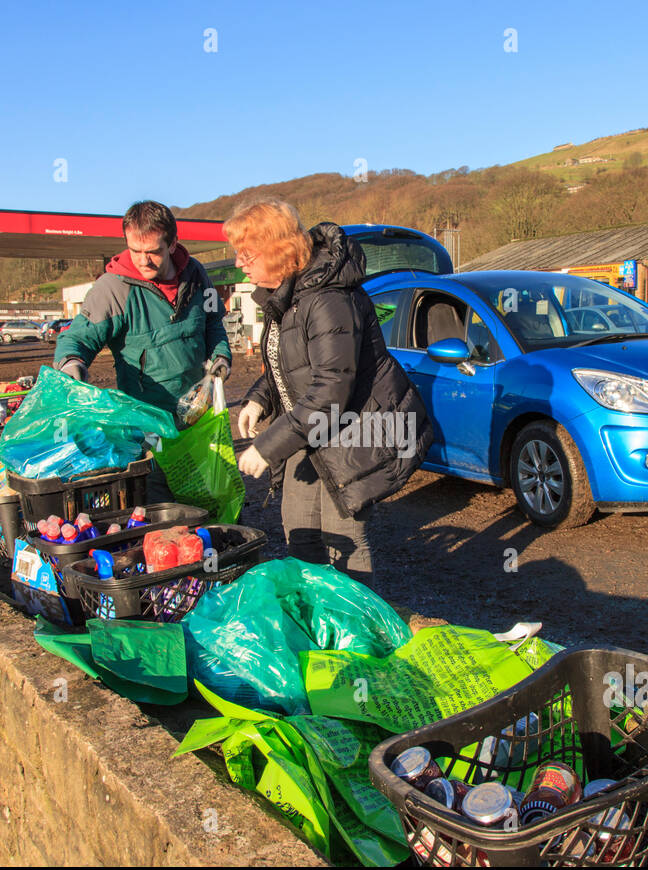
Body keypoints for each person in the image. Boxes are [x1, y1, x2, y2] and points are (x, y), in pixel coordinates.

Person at [226, 199, 432, 591]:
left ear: (277, 250)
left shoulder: (328, 298)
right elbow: (288, 365)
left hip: (349, 434)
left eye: (246, 253)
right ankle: (320, 625)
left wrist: (267, 446)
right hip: (308, 433)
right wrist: (259, 397)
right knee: (301, 536)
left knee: (346, 543)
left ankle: (358, 636)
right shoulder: (288, 296)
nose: (239, 263)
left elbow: (332, 389)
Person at [54, 200, 231, 498]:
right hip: (145, 425)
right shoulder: (113, 289)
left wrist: (221, 354)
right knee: (158, 504)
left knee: (207, 497)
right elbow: (77, 339)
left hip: (196, 416)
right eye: (135, 251)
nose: (143, 260)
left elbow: (213, 322)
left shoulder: (196, 275)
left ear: (173, 243)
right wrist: (72, 364)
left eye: (153, 252)